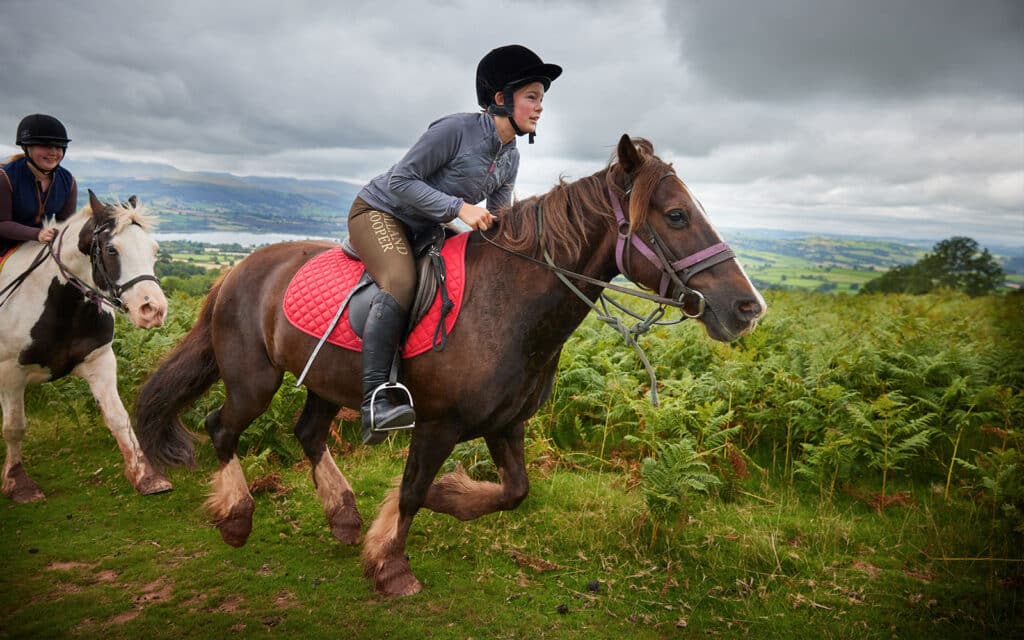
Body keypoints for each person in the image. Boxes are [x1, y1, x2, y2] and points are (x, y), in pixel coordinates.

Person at [348, 44, 562, 445]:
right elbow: (400, 181)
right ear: (501, 99)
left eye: (542, 99)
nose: (539, 108)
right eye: (532, 97)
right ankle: (375, 401)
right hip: (380, 213)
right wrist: (459, 208)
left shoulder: (510, 156)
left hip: (427, 225)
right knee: (400, 281)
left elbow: (498, 221)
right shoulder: (454, 131)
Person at [0, 114, 77, 256]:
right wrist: (38, 234)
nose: (54, 152)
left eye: (59, 146)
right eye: (45, 145)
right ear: (26, 147)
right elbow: (2, 223)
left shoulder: (68, 181)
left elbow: (66, 223)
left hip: (36, 247)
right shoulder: (4, 177)